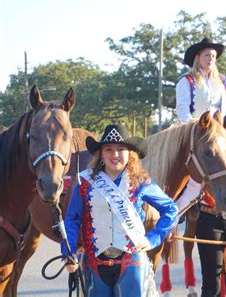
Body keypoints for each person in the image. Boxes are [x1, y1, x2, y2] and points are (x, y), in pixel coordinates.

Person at [61, 124, 178, 296]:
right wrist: (68, 252)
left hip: (131, 262)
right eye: (109, 149)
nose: (115, 155)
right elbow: (72, 220)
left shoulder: (140, 183)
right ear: (101, 153)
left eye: (120, 149)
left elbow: (170, 209)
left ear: (129, 153)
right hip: (94, 263)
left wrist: (153, 238)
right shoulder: (85, 183)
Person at [175, 108, 226, 297]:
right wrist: (170, 221)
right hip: (210, 221)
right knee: (212, 287)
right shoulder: (213, 156)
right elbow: (191, 191)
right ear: (223, 130)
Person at [176, 37, 226, 122]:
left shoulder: (223, 81)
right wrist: (192, 127)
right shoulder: (186, 81)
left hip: (220, 128)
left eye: (213, 56)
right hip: (196, 129)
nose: (211, 58)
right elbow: (182, 108)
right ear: (197, 58)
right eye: (207, 55)